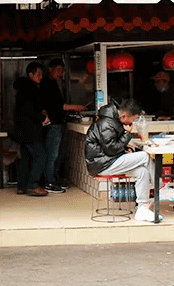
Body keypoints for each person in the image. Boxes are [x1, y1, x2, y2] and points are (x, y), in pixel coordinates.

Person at [84, 98, 163, 222]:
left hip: (106, 160)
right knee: (144, 156)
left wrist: (124, 149)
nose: (134, 122)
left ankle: (142, 208)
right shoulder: (107, 124)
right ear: (125, 116)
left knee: (142, 171)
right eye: (134, 119)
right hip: (101, 164)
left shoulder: (113, 120)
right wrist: (127, 135)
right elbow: (110, 149)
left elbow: (110, 145)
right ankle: (162, 188)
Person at [40, 59, 86, 192]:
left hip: (59, 123)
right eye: (59, 70)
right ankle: (49, 181)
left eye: (63, 70)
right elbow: (56, 106)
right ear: (51, 69)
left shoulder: (54, 83)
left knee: (59, 154)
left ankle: (55, 179)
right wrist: (76, 107)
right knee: (52, 154)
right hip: (53, 124)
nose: (62, 73)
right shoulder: (47, 84)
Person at [11, 61, 48, 197]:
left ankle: (22, 186)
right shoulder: (30, 89)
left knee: (26, 158)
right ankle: (33, 185)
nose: (41, 76)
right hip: (30, 130)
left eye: (41, 74)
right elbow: (29, 110)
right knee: (40, 156)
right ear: (30, 74)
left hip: (22, 130)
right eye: (38, 74)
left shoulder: (23, 88)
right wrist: (42, 117)